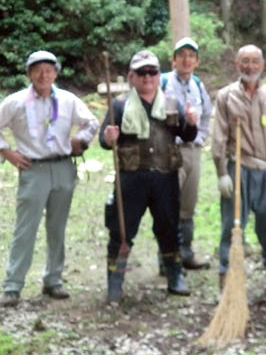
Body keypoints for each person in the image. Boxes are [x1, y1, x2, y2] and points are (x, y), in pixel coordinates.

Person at [0, 51, 99, 307]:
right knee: (26, 228)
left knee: (57, 227)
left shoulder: (68, 100)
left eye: (49, 69)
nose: (44, 74)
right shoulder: (16, 102)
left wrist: (82, 141)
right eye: (38, 69)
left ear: (56, 73)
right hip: (33, 170)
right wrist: (7, 152)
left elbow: (91, 122)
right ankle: (13, 285)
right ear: (29, 73)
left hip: (63, 167)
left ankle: (53, 279)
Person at [100, 50, 198, 303]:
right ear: (132, 76)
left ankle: (175, 275)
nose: (147, 77)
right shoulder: (119, 105)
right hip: (131, 179)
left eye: (152, 72)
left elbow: (187, 136)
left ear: (159, 75)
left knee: (168, 227)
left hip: (165, 178)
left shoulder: (172, 104)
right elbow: (104, 140)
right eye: (141, 73)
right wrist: (108, 137)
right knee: (122, 230)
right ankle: (115, 280)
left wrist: (191, 123)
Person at [211, 44, 266, 295]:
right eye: (245, 61)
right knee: (232, 225)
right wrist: (221, 173)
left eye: (254, 61)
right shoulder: (226, 96)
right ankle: (227, 280)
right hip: (239, 168)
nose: (250, 66)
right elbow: (218, 136)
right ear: (236, 65)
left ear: (262, 65)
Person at [159, 37, 212, 272]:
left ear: (197, 62)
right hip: (169, 151)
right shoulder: (162, 82)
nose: (186, 60)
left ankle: (186, 253)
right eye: (182, 55)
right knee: (168, 204)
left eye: (191, 56)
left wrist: (200, 138)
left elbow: (208, 114)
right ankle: (166, 258)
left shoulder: (198, 85)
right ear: (173, 60)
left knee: (188, 204)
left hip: (193, 152)